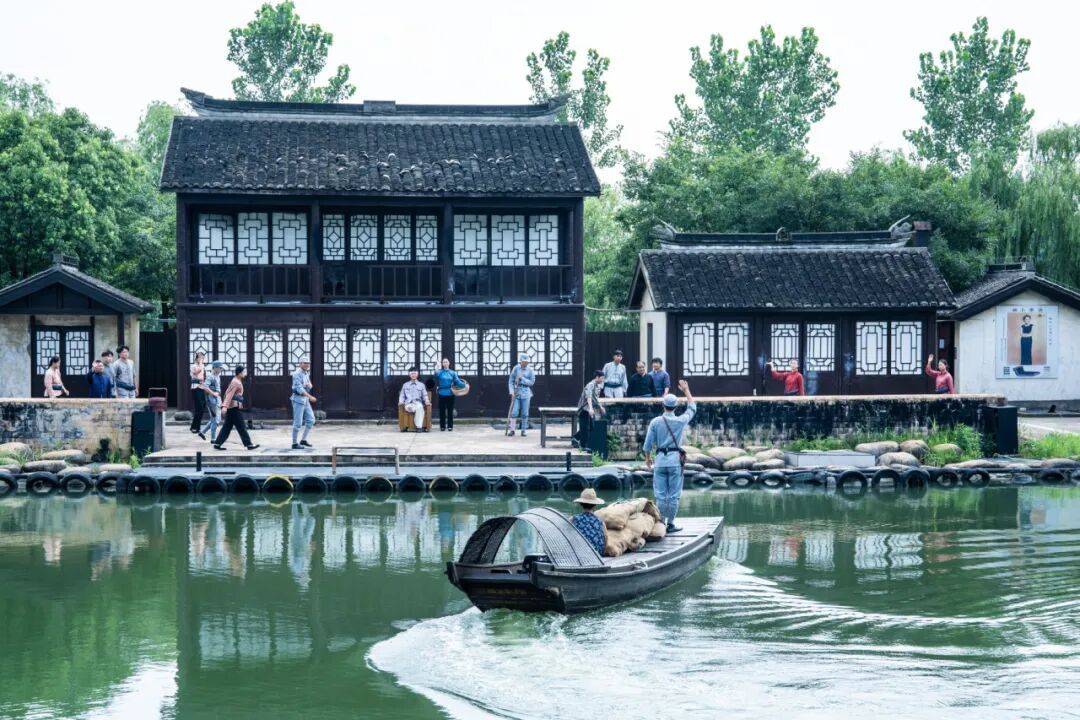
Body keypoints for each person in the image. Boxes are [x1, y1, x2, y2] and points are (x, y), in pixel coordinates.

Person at [642, 379, 696, 533]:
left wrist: (648, 458)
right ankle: (671, 524)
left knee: (660, 496)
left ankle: (661, 523)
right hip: (675, 461)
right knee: (673, 496)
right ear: (676, 407)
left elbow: (647, 444)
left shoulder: (655, 422)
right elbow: (692, 408)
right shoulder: (680, 421)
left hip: (660, 461)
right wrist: (686, 390)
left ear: (663, 405)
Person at [213, 366, 259, 450]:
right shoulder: (236, 382)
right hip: (234, 408)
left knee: (227, 427)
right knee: (241, 426)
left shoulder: (236, 381)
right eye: (243, 372)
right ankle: (249, 444)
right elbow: (229, 395)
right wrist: (225, 406)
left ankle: (218, 443)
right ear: (239, 373)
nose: (245, 374)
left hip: (233, 407)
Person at [569, 488, 607, 555]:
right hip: (598, 552)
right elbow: (606, 537)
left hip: (581, 552)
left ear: (581, 504)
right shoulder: (600, 520)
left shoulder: (573, 519)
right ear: (595, 505)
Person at [575, 370, 606, 449]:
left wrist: (600, 407)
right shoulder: (590, 385)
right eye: (602, 378)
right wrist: (591, 409)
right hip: (584, 409)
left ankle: (575, 438)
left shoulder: (597, 386)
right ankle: (583, 446)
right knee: (585, 427)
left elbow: (595, 398)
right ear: (597, 377)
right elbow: (588, 397)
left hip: (588, 409)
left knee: (591, 427)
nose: (602, 380)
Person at [291, 357, 317, 449]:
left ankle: (303, 440)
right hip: (298, 399)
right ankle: (294, 443)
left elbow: (308, 386)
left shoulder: (306, 373)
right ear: (300, 364)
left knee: (311, 420)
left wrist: (309, 386)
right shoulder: (296, 374)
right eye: (305, 363)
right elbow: (299, 389)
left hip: (305, 399)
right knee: (298, 423)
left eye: (308, 363)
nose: (307, 364)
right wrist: (310, 397)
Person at [433, 358, 465, 431]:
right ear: (442, 364)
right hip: (441, 392)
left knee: (450, 410)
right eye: (444, 362)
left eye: (446, 362)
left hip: (450, 392)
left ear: (449, 363)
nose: (445, 363)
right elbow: (435, 374)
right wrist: (437, 366)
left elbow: (457, 382)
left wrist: (464, 385)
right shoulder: (440, 372)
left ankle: (450, 426)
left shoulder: (453, 373)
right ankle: (442, 426)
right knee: (442, 410)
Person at [507, 354, 535, 437]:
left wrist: (522, 378)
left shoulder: (530, 370)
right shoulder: (516, 368)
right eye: (524, 362)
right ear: (521, 361)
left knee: (525, 413)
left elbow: (532, 382)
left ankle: (523, 430)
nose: (525, 363)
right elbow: (511, 381)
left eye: (526, 362)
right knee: (514, 412)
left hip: (526, 393)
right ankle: (512, 430)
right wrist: (511, 392)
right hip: (516, 392)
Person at [199, 360, 224, 441]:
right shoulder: (210, 376)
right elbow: (205, 387)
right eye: (220, 368)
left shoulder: (217, 376)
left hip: (217, 399)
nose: (221, 369)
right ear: (215, 368)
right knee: (215, 420)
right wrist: (213, 393)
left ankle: (202, 432)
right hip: (212, 400)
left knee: (217, 419)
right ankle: (213, 438)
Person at [399, 367, 430, 432]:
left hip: (418, 403)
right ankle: (419, 427)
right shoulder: (405, 385)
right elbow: (402, 395)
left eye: (415, 373)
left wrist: (427, 401)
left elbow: (425, 395)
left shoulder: (421, 385)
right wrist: (401, 402)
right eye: (412, 374)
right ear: (409, 375)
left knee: (419, 407)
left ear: (417, 374)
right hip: (408, 404)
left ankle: (419, 427)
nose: (413, 375)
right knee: (417, 408)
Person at [189, 350, 207, 434]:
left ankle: (196, 427)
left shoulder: (202, 366)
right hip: (195, 388)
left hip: (201, 387)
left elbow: (203, 377)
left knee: (202, 407)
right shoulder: (193, 366)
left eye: (202, 358)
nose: (202, 359)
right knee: (198, 408)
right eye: (200, 357)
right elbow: (197, 372)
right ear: (196, 358)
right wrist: (200, 363)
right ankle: (194, 427)